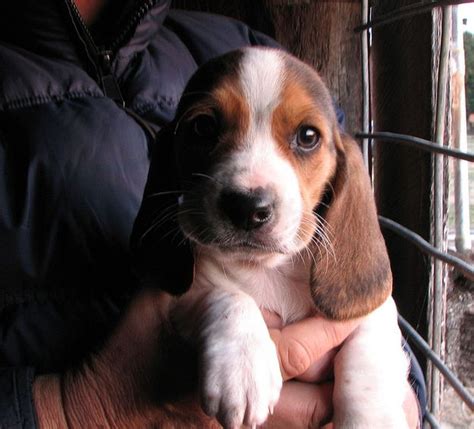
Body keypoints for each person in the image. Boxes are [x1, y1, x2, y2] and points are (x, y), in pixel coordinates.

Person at [0, 0, 425, 427]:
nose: (252, 190)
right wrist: (75, 411)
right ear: (174, 160)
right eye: (206, 129)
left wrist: (378, 399)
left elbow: (371, 310)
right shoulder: (198, 262)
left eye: (306, 137)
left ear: (339, 174)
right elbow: (177, 303)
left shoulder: (238, 43)